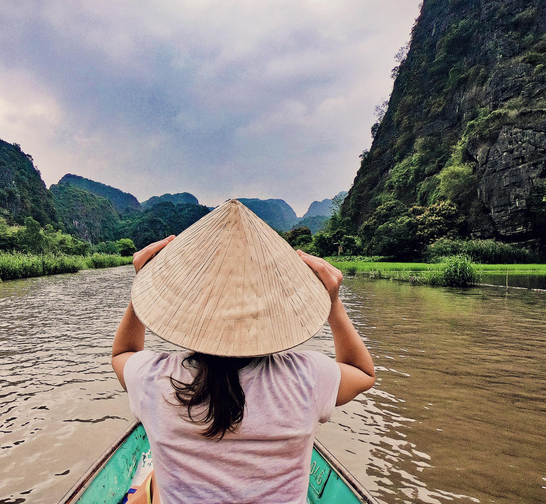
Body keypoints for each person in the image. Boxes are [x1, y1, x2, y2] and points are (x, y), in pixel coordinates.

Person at [111, 199, 375, 504]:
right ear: (272, 310)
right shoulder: (307, 377)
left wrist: (139, 288)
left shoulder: (155, 380)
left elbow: (122, 354)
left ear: (187, 309)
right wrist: (334, 305)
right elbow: (363, 372)